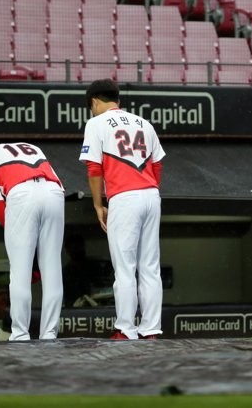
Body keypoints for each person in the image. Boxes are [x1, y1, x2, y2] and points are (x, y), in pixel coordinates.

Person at [79, 79, 166, 340]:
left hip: (124, 197)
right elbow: (158, 164)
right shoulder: (144, 123)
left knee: (125, 268)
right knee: (150, 267)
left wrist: (97, 204)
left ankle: (126, 329)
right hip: (151, 194)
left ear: (94, 101)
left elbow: (94, 168)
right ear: (117, 99)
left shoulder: (95, 123)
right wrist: (147, 189)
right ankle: (151, 329)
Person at [0, 142, 65, 341]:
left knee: (20, 272)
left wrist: (22, 243)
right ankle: (49, 334)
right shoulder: (31, 146)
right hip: (54, 192)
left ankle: (20, 334)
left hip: (21, 191)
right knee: (52, 268)